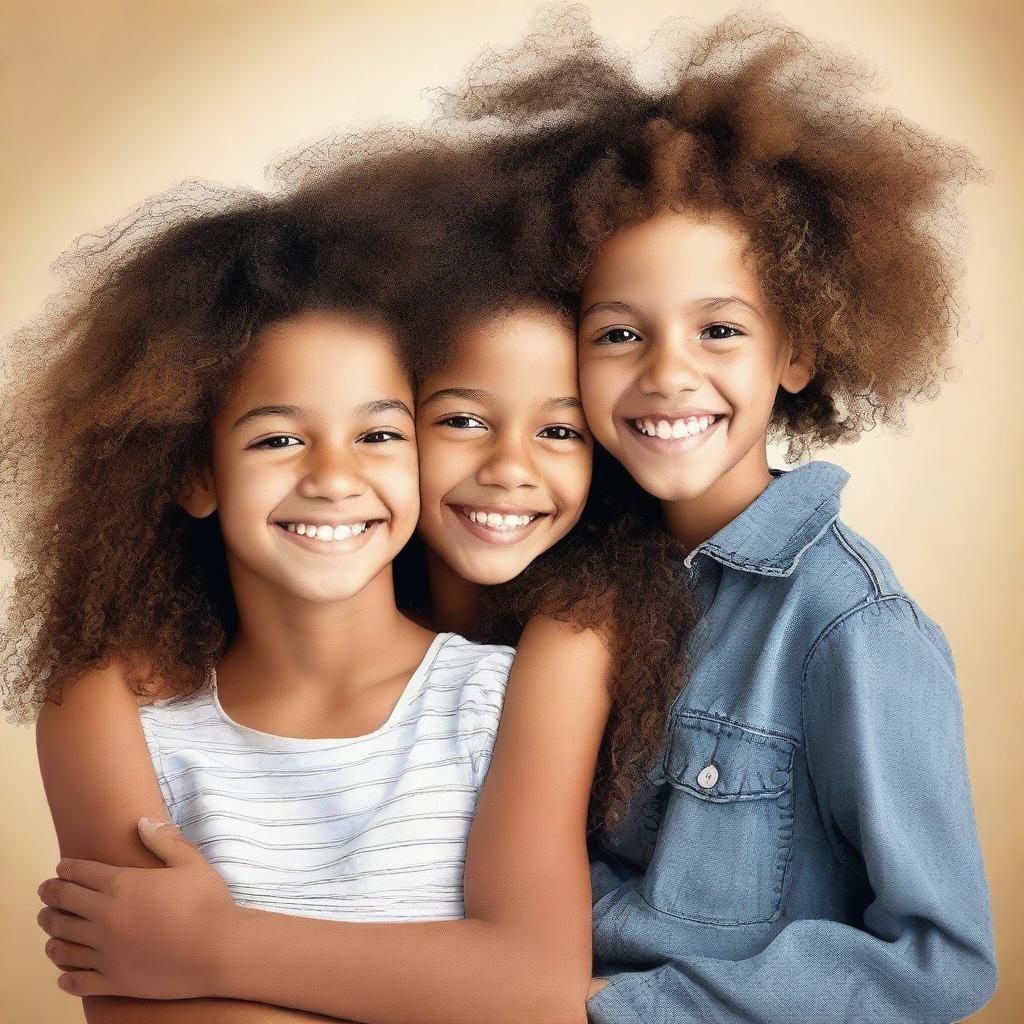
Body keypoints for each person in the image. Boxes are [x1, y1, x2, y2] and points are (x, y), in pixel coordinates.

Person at [34, 10, 997, 1023]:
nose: (667, 372)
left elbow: (934, 959)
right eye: (618, 332)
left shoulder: (837, 623)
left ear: (797, 348)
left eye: (718, 328)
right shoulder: (516, 597)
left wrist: (598, 1011)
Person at [12, 130, 695, 1021]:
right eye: (278, 438)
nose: (334, 477)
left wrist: (211, 947)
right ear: (193, 473)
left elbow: (532, 987)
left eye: (378, 435)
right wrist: (438, 985)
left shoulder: (508, 690)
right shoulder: (106, 705)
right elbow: (134, 999)